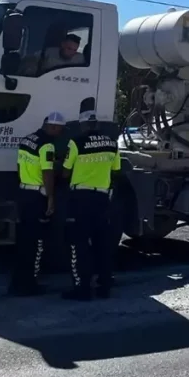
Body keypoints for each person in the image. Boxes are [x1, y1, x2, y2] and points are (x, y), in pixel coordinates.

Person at [61, 110, 121, 300]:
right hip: (102, 199)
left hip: (81, 199)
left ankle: (83, 289)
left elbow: (65, 171)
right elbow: (116, 170)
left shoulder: (76, 143)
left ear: (83, 125)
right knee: (102, 244)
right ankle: (104, 287)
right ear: (97, 125)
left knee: (79, 245)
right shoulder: (112, 143)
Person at [9, 111, 68, 296]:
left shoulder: (27, 140)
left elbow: (19, 166)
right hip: (37, 196)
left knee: (23, 241)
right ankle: (29, 284)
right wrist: (50, 198)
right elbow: (47, 172)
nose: (60, 133)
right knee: (35, 243)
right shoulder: (47, 146)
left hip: (23, 192)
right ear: (53, 127)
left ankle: (17, 282)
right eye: (59, 129)